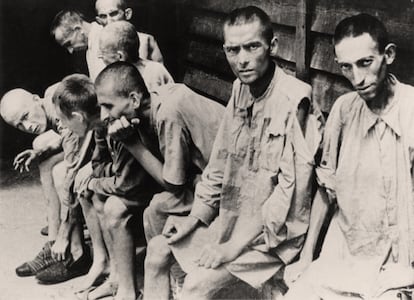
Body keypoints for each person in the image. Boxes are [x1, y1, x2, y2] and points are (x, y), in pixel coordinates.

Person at [143, 6, 322, 300]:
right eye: (232, 50)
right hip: (232, 222)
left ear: (272, 46)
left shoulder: (295, 100)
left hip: (272, 240)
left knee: (196, 286)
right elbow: (219, 163)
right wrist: (196, 217)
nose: (242, 60)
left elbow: (286, 199)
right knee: (156, 253)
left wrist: (232, 246)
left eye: (252, 47)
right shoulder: (241, 89)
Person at [284, 14, 414, 300]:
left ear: (388, 55)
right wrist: (306, 258)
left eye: (365, 63)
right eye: (346, 67)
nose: (357, 78)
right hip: (345, 256)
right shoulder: (344, 110)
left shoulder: (411, 111)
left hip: (399, 266)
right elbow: (325, 190)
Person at [0, 85, 91, 281]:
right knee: (45, 157)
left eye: (25, 116)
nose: (28, 126)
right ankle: (52, 236)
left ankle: (76, 252)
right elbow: (66, 140)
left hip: (108, 147)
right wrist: (39, 153)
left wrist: (66, 233)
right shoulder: (48, 100)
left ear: (35, 98)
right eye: (20, 125)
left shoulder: (58, 106)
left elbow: (74, 165)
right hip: (87, 143)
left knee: (60, 172)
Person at [50, 6, 163, 81]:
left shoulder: (107, 36)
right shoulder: (91, 44)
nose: (70, 50)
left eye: (68, 43)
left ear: (78, 29)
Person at [98, 20, 173, 91]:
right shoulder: (157, 70)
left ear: (120, 57)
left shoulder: (155, 74)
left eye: (103, 52)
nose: (99, 56)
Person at [95, 0, 163, 63]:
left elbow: (159, 72)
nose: (109, 21)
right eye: (103, 16)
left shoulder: (145, 40)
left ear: (127, 14)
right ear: (99, 20)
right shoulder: (95, 45)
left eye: (114, 13)